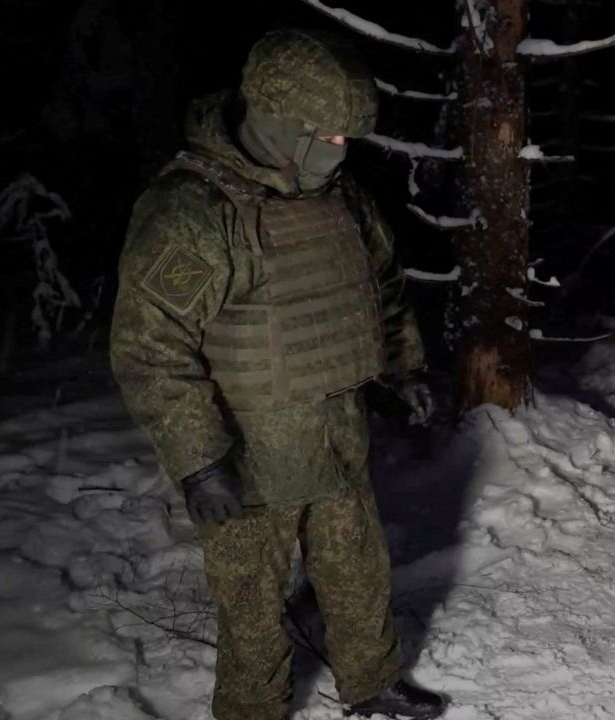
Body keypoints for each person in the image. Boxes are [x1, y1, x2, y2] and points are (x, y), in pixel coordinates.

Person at [109, 27, 446, 720]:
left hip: (335, 428)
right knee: (251, 604)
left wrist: (401, 369)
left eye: (345, 138)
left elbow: (376, 283)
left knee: (357, 568)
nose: (339, 151)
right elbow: (150, 347)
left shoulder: (339, 196)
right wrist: (198, 460)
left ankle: (371, 681)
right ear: (278, 122)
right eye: (324, 136)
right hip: (248, 448)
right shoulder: (195, 211)